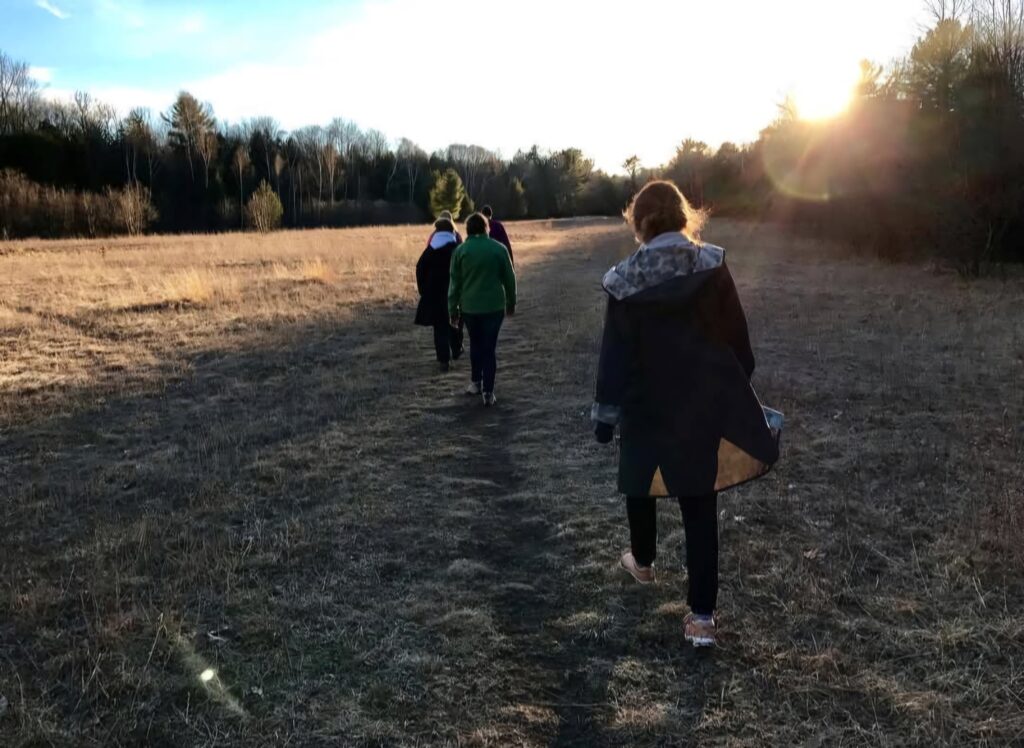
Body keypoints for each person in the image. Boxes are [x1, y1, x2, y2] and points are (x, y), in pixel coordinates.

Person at [591, 180, 779, 648]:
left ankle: (643, 560)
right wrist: (734, 386)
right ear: (683, 215)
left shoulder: (623, 279)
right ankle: (701, 619)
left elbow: (615, 353)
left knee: (638, 479)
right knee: (699, 503)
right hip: (701, 401)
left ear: (639, 221)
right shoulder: (712, 264)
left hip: (645, 402)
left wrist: (606, 414)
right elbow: (738, 339)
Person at [448, 212, 517, 406]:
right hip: (494, 306)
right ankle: (488, 391)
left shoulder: (460, 251)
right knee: (489, 348)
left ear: (468, 229)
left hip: (470, 307)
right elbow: (509, 279)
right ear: (486, 227)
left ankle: (475, 382)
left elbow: (454, 284)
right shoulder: (498, 249)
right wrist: (511, 302)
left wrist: (452, 310)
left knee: (475, 345)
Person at [415, 217, 464, 372]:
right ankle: (456, 349)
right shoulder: (457, 249)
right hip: (454, 292)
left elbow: (420, 269)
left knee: (439, 327)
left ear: (436, 231)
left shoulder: (430, 251)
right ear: (452, 230)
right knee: (455, 322)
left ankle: (444, 360)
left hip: (434, 293)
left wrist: (424, 290)